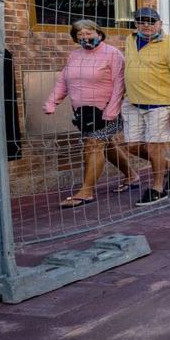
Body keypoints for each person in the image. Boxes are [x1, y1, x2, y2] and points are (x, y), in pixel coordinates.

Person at [43, 19, 140, 208]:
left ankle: (86, 191)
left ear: (99, 33)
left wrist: (111, 111)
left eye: (89, 33)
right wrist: (51, 102)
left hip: (106, 110)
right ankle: (131, 175)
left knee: (92, 146)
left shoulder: (112, 54)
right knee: (106, 145)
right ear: (75, 38)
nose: (85, 37)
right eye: (80, 34)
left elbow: (120, 84)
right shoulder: (74, 56)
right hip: (83, 113)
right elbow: (64, 81)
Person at [123, 8, 170, 207]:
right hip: (133, 103)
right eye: (141, 21)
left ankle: (158, 188)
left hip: (160, 104)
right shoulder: (130, 40)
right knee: (132, 146)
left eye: (151, 21)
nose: (146, 25)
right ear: (135, 24)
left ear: (160, 23)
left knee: (154, 149)